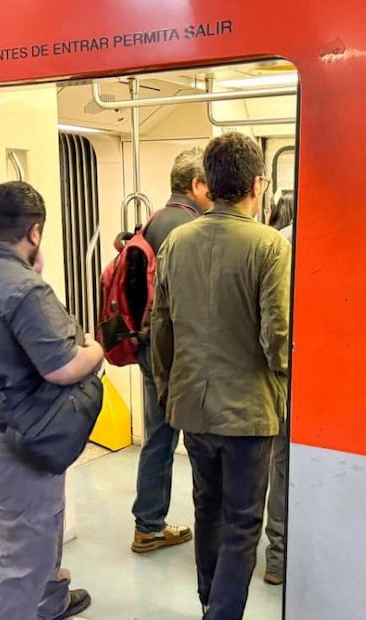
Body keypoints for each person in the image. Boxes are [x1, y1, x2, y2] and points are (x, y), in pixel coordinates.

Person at [0, 181, 103, 619]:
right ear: (34, 232)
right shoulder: (24, 288)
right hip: (15, 443)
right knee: (24, 565)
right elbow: (62, 367)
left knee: (22, 537)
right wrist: (97, 350)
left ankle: (49, 604)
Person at [152, 132, 291, 619]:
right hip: (250, 413)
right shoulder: (269, 245)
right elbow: (277, 337)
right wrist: (286, 379)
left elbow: (161, 327)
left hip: (192, 406)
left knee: (206, 509)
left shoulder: (176, 242)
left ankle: (208, 601)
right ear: (258, 184)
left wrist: (169, 390)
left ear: (208, 184)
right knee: (243, 523)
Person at [131, 147, 213, 553]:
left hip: (149, 345)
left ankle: (148, 524)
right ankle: (187, 528)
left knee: (158, 438)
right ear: (195, 185)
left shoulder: (152, 222)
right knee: (199, 442)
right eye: (210, 185)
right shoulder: (189, 229)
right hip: (178, 353)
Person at [263, 190, 296, 586]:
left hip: (287, 371)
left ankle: (278, 556)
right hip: (308, 371)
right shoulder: (278, 244)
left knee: (283, 464)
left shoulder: (277, 242)